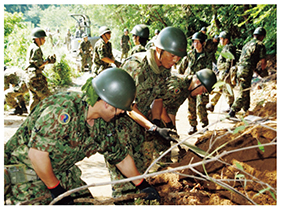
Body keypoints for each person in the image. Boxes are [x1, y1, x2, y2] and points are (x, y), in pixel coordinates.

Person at [4, 68, 160, 205]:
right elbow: (37, 155)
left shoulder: (103, 124)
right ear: (107, 103)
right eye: (120, 109)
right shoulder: (63, 111)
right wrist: (56, 190)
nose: (121, 113)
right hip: (26, 174)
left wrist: (143, 185)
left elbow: (121, 158)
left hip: (61, 172)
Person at [105, 27, 187, 203]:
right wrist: (153, 127)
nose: (176, 60)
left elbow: (158, 99)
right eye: (172, 55)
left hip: (139, 125)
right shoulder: (135, 66)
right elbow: (127, 107)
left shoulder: (165, 69)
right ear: (159, 50)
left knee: (142, 175)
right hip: (117, 126)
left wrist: (159, 123)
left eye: (179, 57)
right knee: (124, 184)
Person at [178, 32, 213, 135]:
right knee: (191, 105)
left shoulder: (207, 56)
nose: (196, 44)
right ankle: (193, 125)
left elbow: (208, 70)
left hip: (202, 84)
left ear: (203, 43)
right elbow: (182, 67)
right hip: (191, 83)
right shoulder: (190, 54)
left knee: (201, 105)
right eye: (194, 42)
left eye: (198, 42)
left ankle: (204, 125)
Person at [228, 27, 267, 118]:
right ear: (262, 37)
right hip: (246, 69)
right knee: (243, 91)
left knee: (246, 88)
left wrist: (256, 71)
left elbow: (247, 60)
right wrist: (262, 70)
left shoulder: (247, 44)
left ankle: (246, 109)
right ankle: (233, 111)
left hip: (239, 69)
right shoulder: (260, 45)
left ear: (254, 35)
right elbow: (263, 61)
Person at [25, 28, 56, 112]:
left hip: (29, 77)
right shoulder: (36, 49)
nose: (44, 40)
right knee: (49, 98)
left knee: (35, 100)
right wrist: (48, 61)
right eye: (42, 38)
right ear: (37, 39)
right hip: (36, 78)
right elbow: (38, 64)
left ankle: (31, 119)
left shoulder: (31, 47)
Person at [206, 31, 236, 113]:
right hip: (223, 71)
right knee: (220, 88)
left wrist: (226, 71)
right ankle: (212, 104)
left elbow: (230, 60)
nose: (220, 41)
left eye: (221, 39)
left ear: (226, 39)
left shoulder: (228, 47)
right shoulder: (227, 47)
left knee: (226, 88)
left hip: (225, 71)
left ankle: (231, 106)